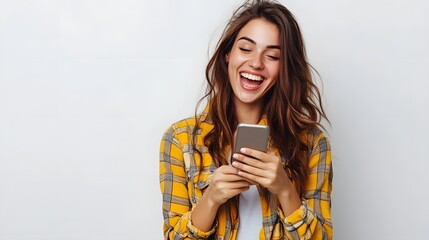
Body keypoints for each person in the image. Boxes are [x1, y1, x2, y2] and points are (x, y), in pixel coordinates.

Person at [159, 0, 333, 239]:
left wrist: (285, 189)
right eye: (245, 48)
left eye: (272, 55)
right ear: (228, 54)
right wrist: (210, 200)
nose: (256, 63)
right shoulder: (180, 140)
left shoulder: (312, 142)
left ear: (285, 67)